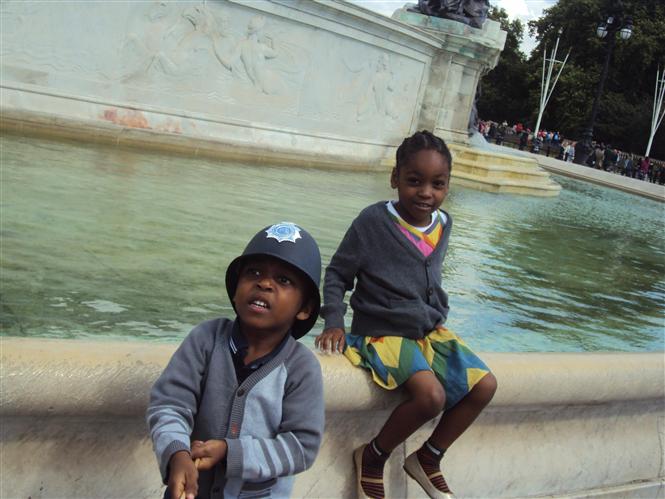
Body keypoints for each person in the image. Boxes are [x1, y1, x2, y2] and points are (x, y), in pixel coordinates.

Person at [315, 130, 497, 499]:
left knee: (485, 386)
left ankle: (428, 457)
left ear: (448, 185)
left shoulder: (443, 223)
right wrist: (334, 320)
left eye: (437, 183)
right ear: (395, 178)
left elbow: (429, 276)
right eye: (414, 181)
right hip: (381, 332)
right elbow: (337, 273)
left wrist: (434, 312)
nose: (426, 193)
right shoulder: (373, 221)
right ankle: (373, 455)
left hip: (426, 331)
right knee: (431, 397)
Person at [147, 222, 325, 499]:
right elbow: (170, 404)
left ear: (305, 308)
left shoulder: (301, 368)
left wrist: (232, 452)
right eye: (253, 272)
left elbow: (301, 447)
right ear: (234, 289)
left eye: (284, 280)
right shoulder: (206, 339)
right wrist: (177, 454)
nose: (264, 283)